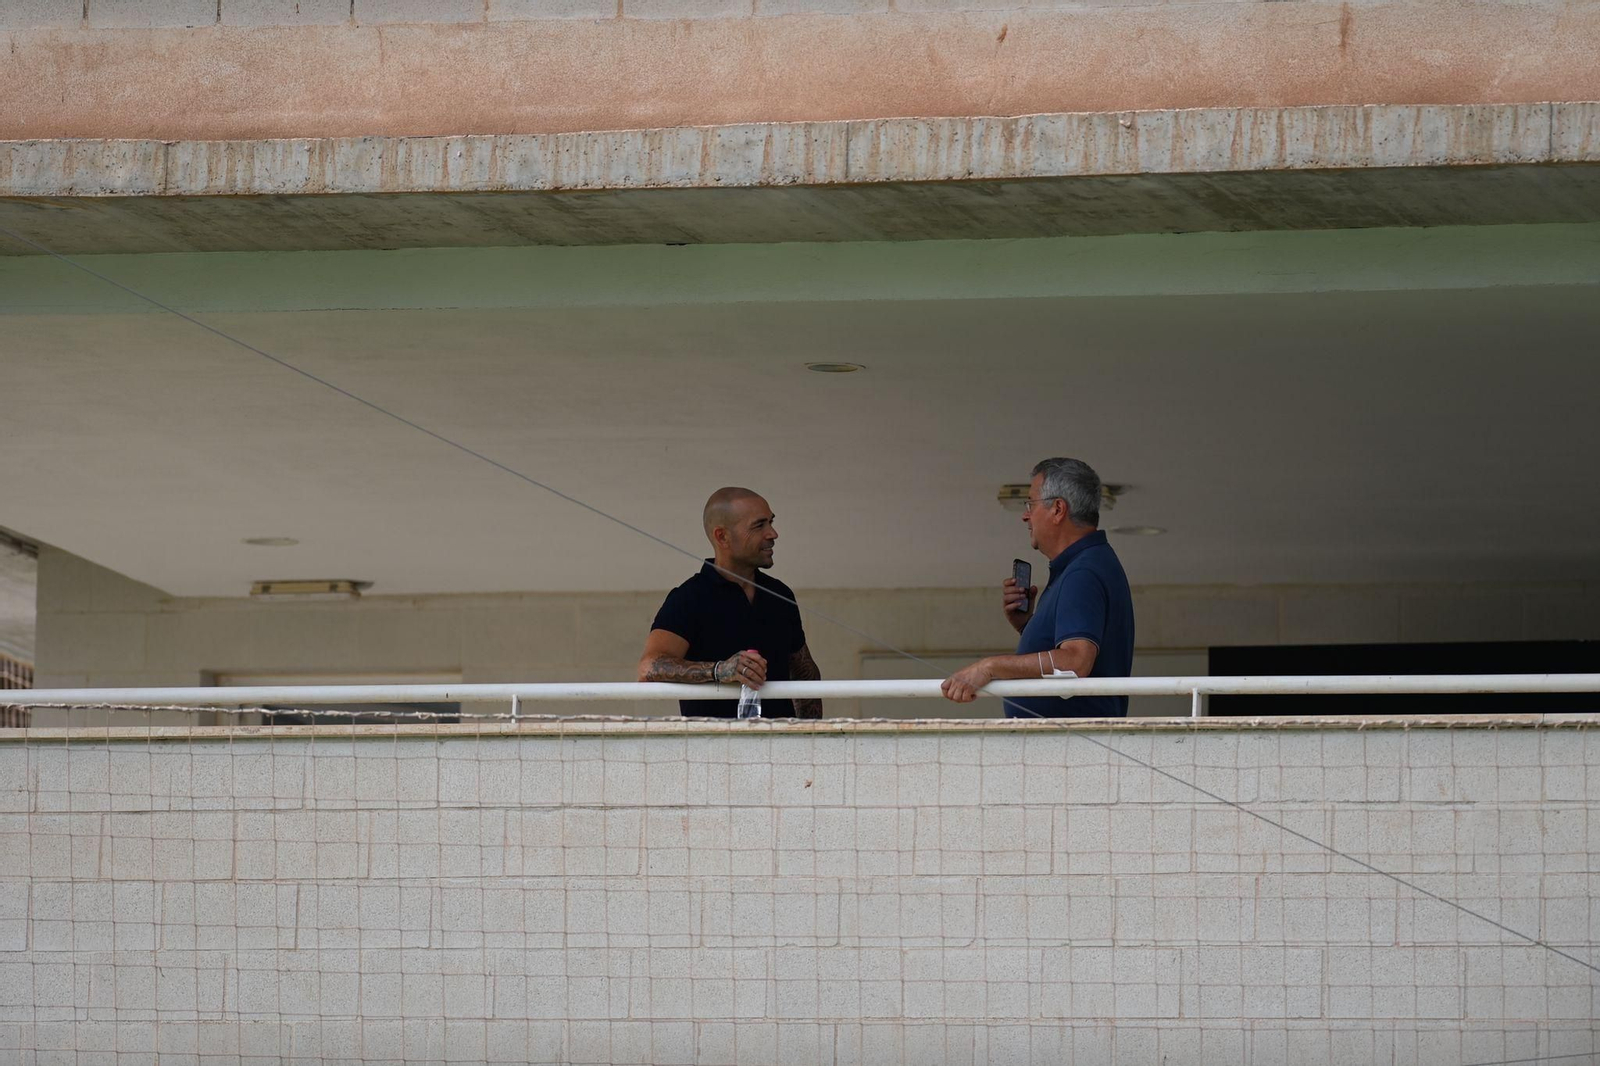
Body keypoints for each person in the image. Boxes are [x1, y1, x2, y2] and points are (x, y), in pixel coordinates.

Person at [941, 457, 1134, 717]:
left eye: (1030, 504)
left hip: (1071, 747)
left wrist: (990, 666)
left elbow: (1075, 662)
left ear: (1057, 509)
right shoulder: (1086, 565)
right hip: (1069, 744)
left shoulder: (1083, 572)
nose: (1025, 515)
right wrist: (1028, 625)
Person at [637, 487, 822, 718]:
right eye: (759, 525)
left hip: (780, 749)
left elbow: (805, 673)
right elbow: (649, 667)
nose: (772, 534)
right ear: (722, 536)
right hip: (710, 750)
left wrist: (810, 739)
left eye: (771, 522)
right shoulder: (689, 597)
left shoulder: (779, 593)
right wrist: (720, 670)